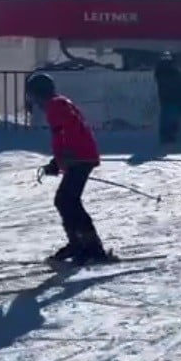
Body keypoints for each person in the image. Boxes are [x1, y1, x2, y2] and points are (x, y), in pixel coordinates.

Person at [26, 72, 109, 265]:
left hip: (80, 157)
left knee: (68, 200)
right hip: (80, 156)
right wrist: (58, 162)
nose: (32, 100)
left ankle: (92, 247)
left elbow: (70, 130)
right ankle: (78, 243)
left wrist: (68, 155)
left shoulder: (56, 105)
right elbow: (66, 133)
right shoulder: (57, 104)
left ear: (39, 93)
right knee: (65, 200)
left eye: (32, 95)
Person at [152, 52, 181, 143]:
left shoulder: (160, 71)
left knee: (166, 117)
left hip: (165, 97)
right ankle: (169, 136)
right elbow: (180, 82)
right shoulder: (173, 72)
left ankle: (166, 136)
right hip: (173, 97)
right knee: (171, 118)